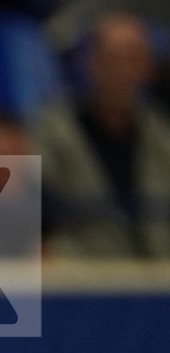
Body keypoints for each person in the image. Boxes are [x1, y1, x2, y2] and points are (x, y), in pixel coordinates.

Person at [35, 11, 170, 259]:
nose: (122, 72)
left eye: (132, 60)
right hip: (84, 272)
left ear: (148, 68)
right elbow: (16, 208)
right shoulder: (52, 133)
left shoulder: (162, 137)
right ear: (90, 63)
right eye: (111, 59)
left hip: (158, 273)